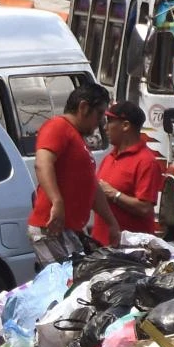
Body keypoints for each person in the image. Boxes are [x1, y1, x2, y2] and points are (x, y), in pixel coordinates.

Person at [27, 83, 120, 265]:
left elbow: (92, 187)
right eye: (99, 114)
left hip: (69, 229)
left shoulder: (77, 138)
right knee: (68, 285)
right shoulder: (57, 127)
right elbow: (42, 163)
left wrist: (111, 222)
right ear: (83, 107)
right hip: (51, 228)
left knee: (79, 281)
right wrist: (57, 201)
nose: (100, 122)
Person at [92, 101, 163, 246]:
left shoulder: (146, 161)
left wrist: (114, 194)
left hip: (131, 250)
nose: (105, 128)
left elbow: (145, 208)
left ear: (125, 125)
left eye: (110, 122)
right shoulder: (109, 158)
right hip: (101, 244)